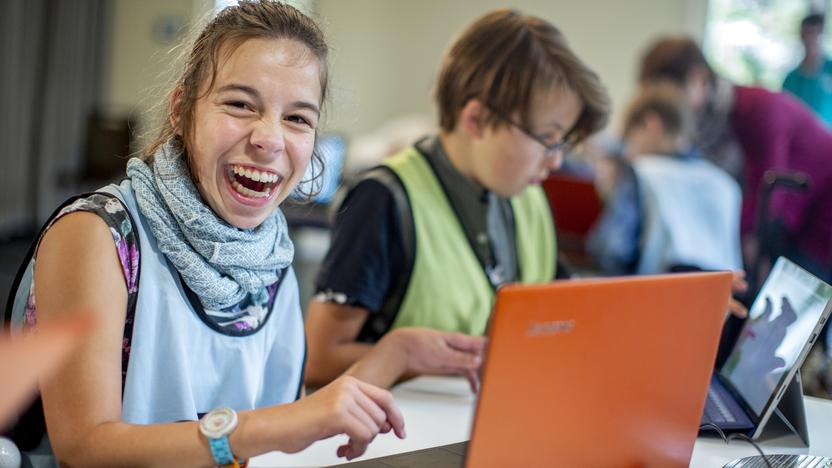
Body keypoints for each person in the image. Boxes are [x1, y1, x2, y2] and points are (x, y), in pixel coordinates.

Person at [3, 2, 423, 464]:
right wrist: (271, 427)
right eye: (241, 104)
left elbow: (279, 432)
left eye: (298, 118)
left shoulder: (270, 256)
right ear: (183, 110)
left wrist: (399, 352)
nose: (270, 138)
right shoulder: (98, 234)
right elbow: (85, 447)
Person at [304, 8, 611, 387]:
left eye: (562, 142)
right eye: (547, 138)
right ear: (477, 119)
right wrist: (411, 358)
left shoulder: (526, 196)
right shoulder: (384, 200)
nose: (556, 159)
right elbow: (318, 359)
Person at [639, 36, 832, 284]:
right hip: (794, 215)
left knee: (804, 296)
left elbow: (770, 200)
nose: (671, 110)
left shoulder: (761, 110)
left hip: (821, 216)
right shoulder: (712, 123)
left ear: (697, 79)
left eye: (674, 98)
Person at [587, 83, 743, 275]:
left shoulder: (639, 173)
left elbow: (610, 250)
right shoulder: (725, 184)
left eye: (630, 137)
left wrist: (609, 194)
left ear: (652, 124)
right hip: (719, 299)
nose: (628, 150)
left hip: (655, 297)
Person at [783, 13, 832, 126]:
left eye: (816, 34)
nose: (812, 39)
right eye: (808, 33)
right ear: (801, 36)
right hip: (802, 141)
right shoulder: (791, 80)